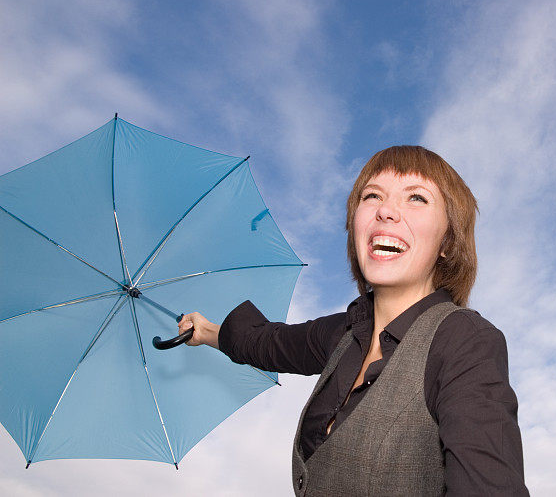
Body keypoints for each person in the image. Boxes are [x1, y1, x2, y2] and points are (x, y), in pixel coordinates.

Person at [179, 145, 529, 496]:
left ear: (448, 243)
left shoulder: (464, 340)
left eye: (417, 198)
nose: (386, 211)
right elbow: (265, 343)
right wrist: (206, 330)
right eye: (373, 195)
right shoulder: (343, 334)